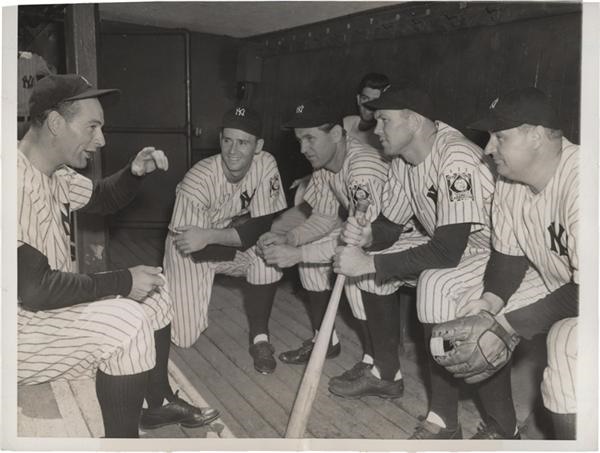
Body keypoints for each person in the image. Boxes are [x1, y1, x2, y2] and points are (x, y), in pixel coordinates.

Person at [17, 73, 218, 438]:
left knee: (155, 291)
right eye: (92, 126)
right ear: (56, 123)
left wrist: (134, 172)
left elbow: (102, 198)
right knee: (125, 323)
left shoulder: (52, 172)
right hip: (18, 333)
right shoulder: (11, 183)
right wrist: (123, 282)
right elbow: (32, 289)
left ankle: (156, 406)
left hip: (45, 309)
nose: (101, 139)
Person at [333, 87, 516, 439]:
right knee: (375, 262)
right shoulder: (404, 160)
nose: (375, 128)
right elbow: (390, 226)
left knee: (435, 284)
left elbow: (447, 253)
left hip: (497, 252)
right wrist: (368, 236)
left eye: (385, 119)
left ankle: (467, 423)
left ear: (414, 120)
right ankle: (387, 376)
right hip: (453, 245)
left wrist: (366, 265)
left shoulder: (455, 156)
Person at [437, 87, 578, 439]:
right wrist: (489, 305)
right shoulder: (510, 180)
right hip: (566, 284)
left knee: (566, 342)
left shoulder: (585, 180)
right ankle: (504, 428)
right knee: (471, 310)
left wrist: (508, 326)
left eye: (500, 137)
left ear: (536, 135)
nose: (487, 149)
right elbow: (508, 258)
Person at [257, 97, 396, 395]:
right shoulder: (325, 163)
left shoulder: (362, 170)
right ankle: (325, 339)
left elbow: (365, 243)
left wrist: (297, 253)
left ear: (335, 134)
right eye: (299, 140)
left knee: (355, 275)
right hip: (369, 234)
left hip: (400, 238)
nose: (303, 148)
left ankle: (381, 365)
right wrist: (290, 239)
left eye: (310, 138)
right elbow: (325, 217)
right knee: (311, 263)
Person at [163, 105, 287, 375]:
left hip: (219, 238)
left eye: (243, 142)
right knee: (184, 337)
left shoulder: (266, 163)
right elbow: (192, 247)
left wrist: (212, 235)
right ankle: (159, 293)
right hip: (187, 252)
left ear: (258, 145)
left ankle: (260, 338)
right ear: (219, 139)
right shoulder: (198, 180)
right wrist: (233, 236)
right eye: (228, 140)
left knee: (269, 253)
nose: (233, 150)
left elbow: (262, 224)